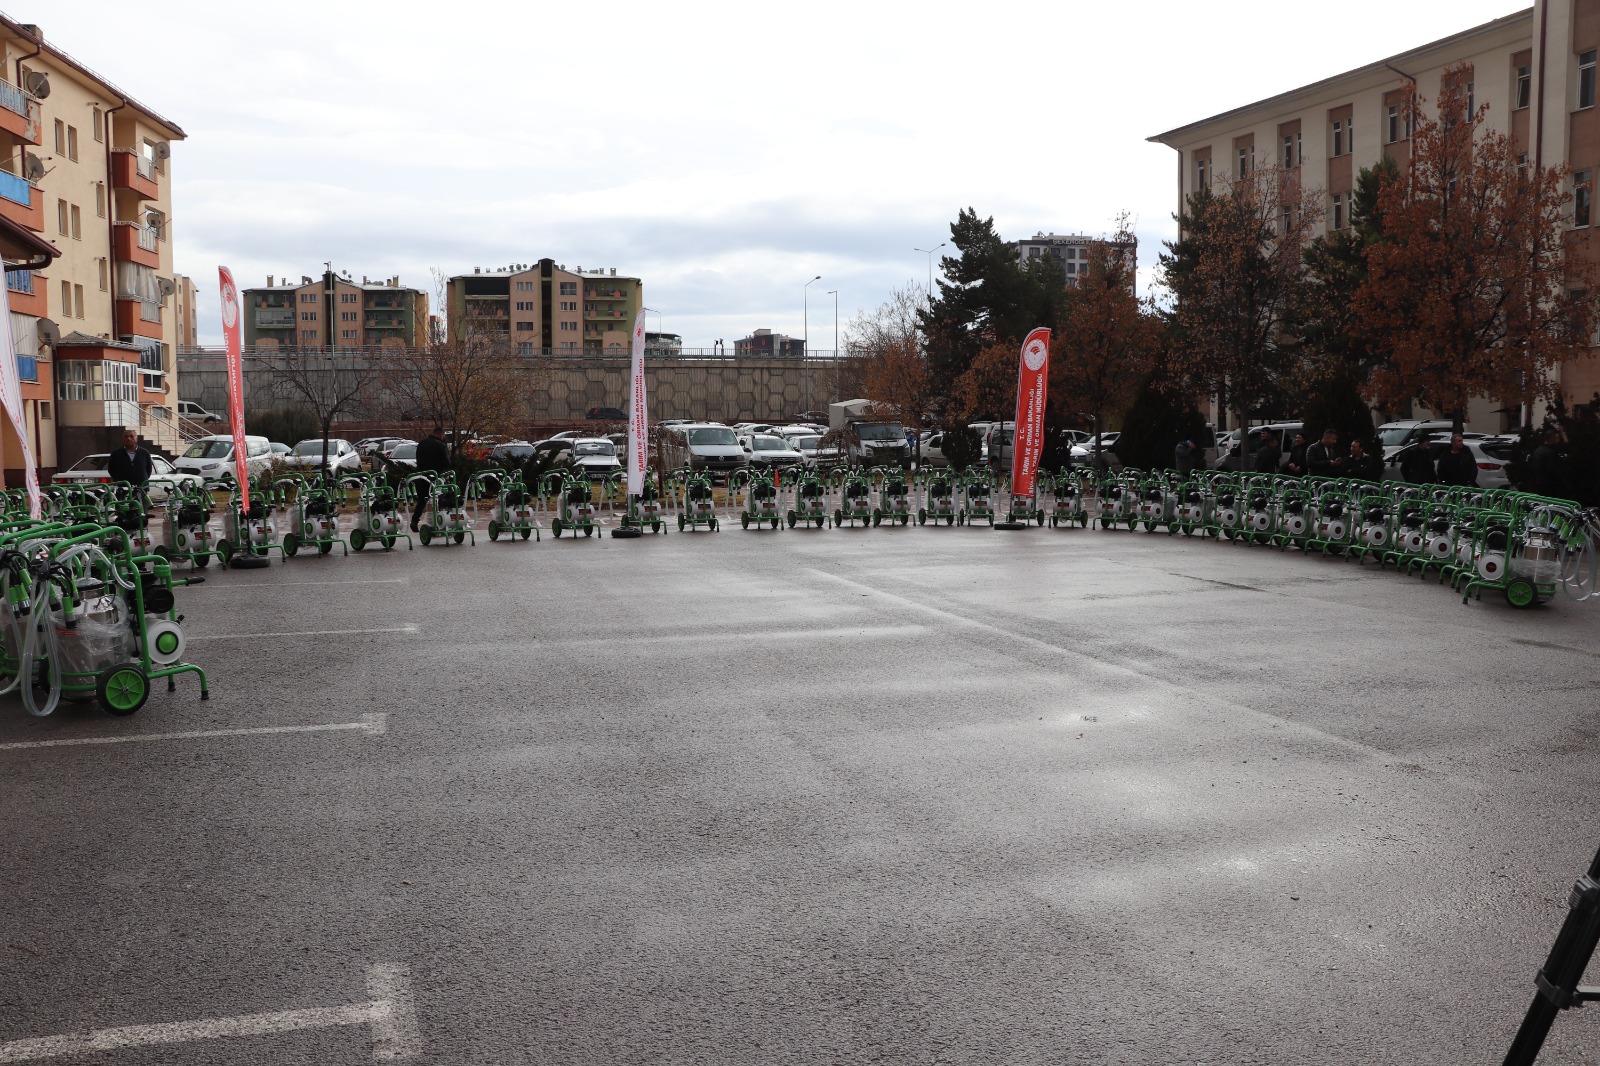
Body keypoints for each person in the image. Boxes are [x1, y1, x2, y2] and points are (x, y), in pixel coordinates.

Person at [411, 426, 451, 532]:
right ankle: (439, 521)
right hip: (436, 476)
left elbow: (418, 459)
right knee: (439, 498)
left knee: (422, 499)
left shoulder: (421, 443)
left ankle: (414, 521)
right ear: (441, 434)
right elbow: (447, 463)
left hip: (421, 475)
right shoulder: (440, 445)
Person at [1522, 427, 1565, 497]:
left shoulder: (1538, 450)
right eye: (1557, 438)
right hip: (1550, 487)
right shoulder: (1550, 452)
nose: (1559, 440)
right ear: (1551, 439)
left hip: (1539, 485)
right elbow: (1552, 470)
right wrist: (1562, 480)